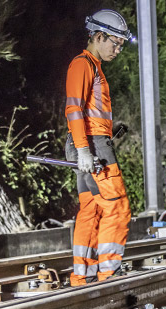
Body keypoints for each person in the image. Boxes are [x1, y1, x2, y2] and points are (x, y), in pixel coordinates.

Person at [64, 10, 132, 286]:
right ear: (98, 36)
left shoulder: (93, 67)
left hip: (89, 143)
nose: (117, 50)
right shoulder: (83, 65)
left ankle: (83, 276)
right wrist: (84, 150)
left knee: (91, 210)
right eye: (114, 43)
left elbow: (88, 113)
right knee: (117, 207)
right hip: (91, 145)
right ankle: (108, 274)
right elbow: (73, 109)